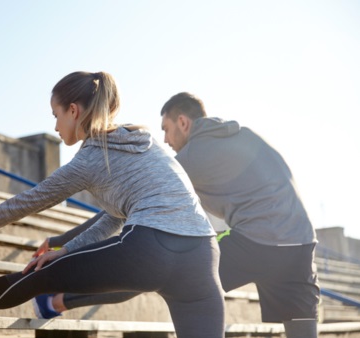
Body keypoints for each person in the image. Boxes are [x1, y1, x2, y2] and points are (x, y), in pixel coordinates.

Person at [0, 73, 225, 338]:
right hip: (203, 256)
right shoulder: (145, 142)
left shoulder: (91, 158)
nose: (55, 125)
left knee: (37, 276)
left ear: (73, 110)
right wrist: (67, 249)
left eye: (55, 114)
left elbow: (29, 201)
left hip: (152, 247)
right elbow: (114, 217)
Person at [32, 92, 320, 338]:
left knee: (153, 270)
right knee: (302, 328)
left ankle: (56, 302)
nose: (166, 140)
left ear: (183, 122)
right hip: (301, 246)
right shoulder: (241, 136)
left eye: (167, 129)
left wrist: (64, 240)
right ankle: (59, 301)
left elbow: (120, 211)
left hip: (255, 243)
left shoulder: (195, 155)